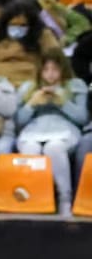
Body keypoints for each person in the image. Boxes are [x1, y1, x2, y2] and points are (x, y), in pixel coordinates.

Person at [14, 50, 89, 216]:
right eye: (46, 69)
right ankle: (32, 199)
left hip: (65, 130)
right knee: (31, 149)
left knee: (53, 148)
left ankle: (64, 199)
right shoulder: (28, 87)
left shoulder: (76, 85)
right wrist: (31, 104)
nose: (50, 74)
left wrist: (62, 102)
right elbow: (18, 121)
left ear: (63, 69)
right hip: (33, 131)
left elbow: (82, 118)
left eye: (55, 69)